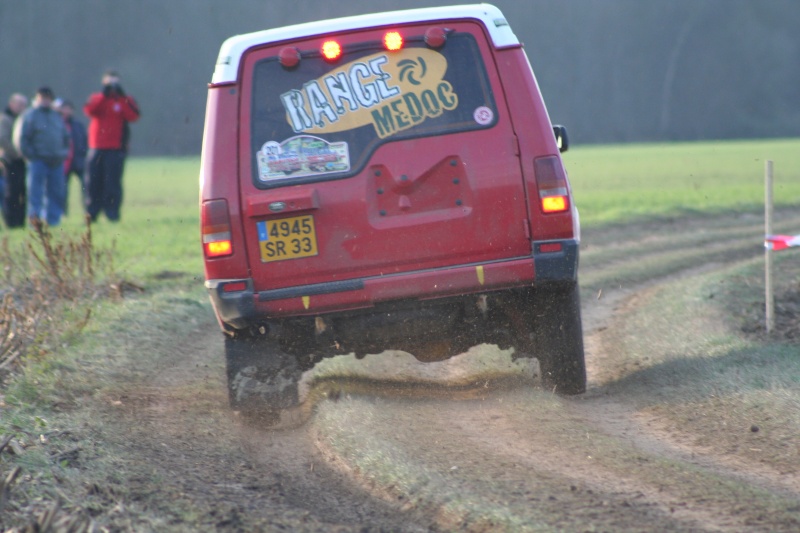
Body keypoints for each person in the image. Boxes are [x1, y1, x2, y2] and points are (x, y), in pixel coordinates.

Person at [83, 70, 140, 222]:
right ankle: (91, 213)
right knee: (93, 182)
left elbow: (133, 116)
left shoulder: (125, 99)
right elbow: (90, 110)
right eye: (109, 82)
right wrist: (104, 95)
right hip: (96, 147)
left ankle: (112, 213)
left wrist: (121, 98)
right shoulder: (97, 98)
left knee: (113, 182)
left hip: (116, 148)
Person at [13, 87, 69, 226]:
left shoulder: (56, 116)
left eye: (47, 98)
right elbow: (21, 138)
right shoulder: (28, 115)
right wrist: (30, 155)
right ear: (36, 99)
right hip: (37, 160)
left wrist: (63, 153)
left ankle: (53, 221)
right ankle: (35, 221)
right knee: (35, 193)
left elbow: (65, 137)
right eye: (42, 98)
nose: (45, 101)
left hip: (56, 160)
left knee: (56, 192)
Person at [55, 99, 88, 215]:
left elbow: (85, 140)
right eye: (64, 108)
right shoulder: (56, 124)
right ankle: (63, 213)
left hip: (78, 160)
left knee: (86, 187)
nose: (66, 111)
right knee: (62, 190)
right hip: (62, 162)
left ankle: (88, 211)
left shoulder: (78, 125)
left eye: (69, 108)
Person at [0, 93, 29, 228]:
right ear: (12, 104)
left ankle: (20, 221)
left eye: (24, 105)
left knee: (23, 192)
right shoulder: (5, 119)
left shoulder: (24, 119)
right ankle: (11, 222)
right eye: (19, 104)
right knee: (12, 192)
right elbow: (3, 139)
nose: (22, 107)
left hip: (23, 160)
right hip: (10, 161)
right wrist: (18, 153)